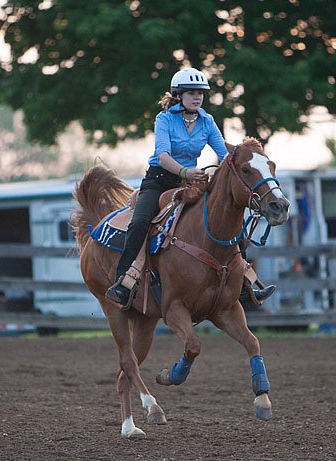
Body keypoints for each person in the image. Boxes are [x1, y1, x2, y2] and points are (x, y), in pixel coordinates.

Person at [105, 67, 276, 309]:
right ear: (179, 95)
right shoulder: (164, 119)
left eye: (200, 93)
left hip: (191, 182)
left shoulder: (207, 121)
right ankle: (122, 281)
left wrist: (246, 157)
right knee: (140, 222)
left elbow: (223, 152)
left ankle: (244, 285)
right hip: (159, 180)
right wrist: (185, 172)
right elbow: (162, 155)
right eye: (191, 93)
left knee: (227, 219)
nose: (197, 97)